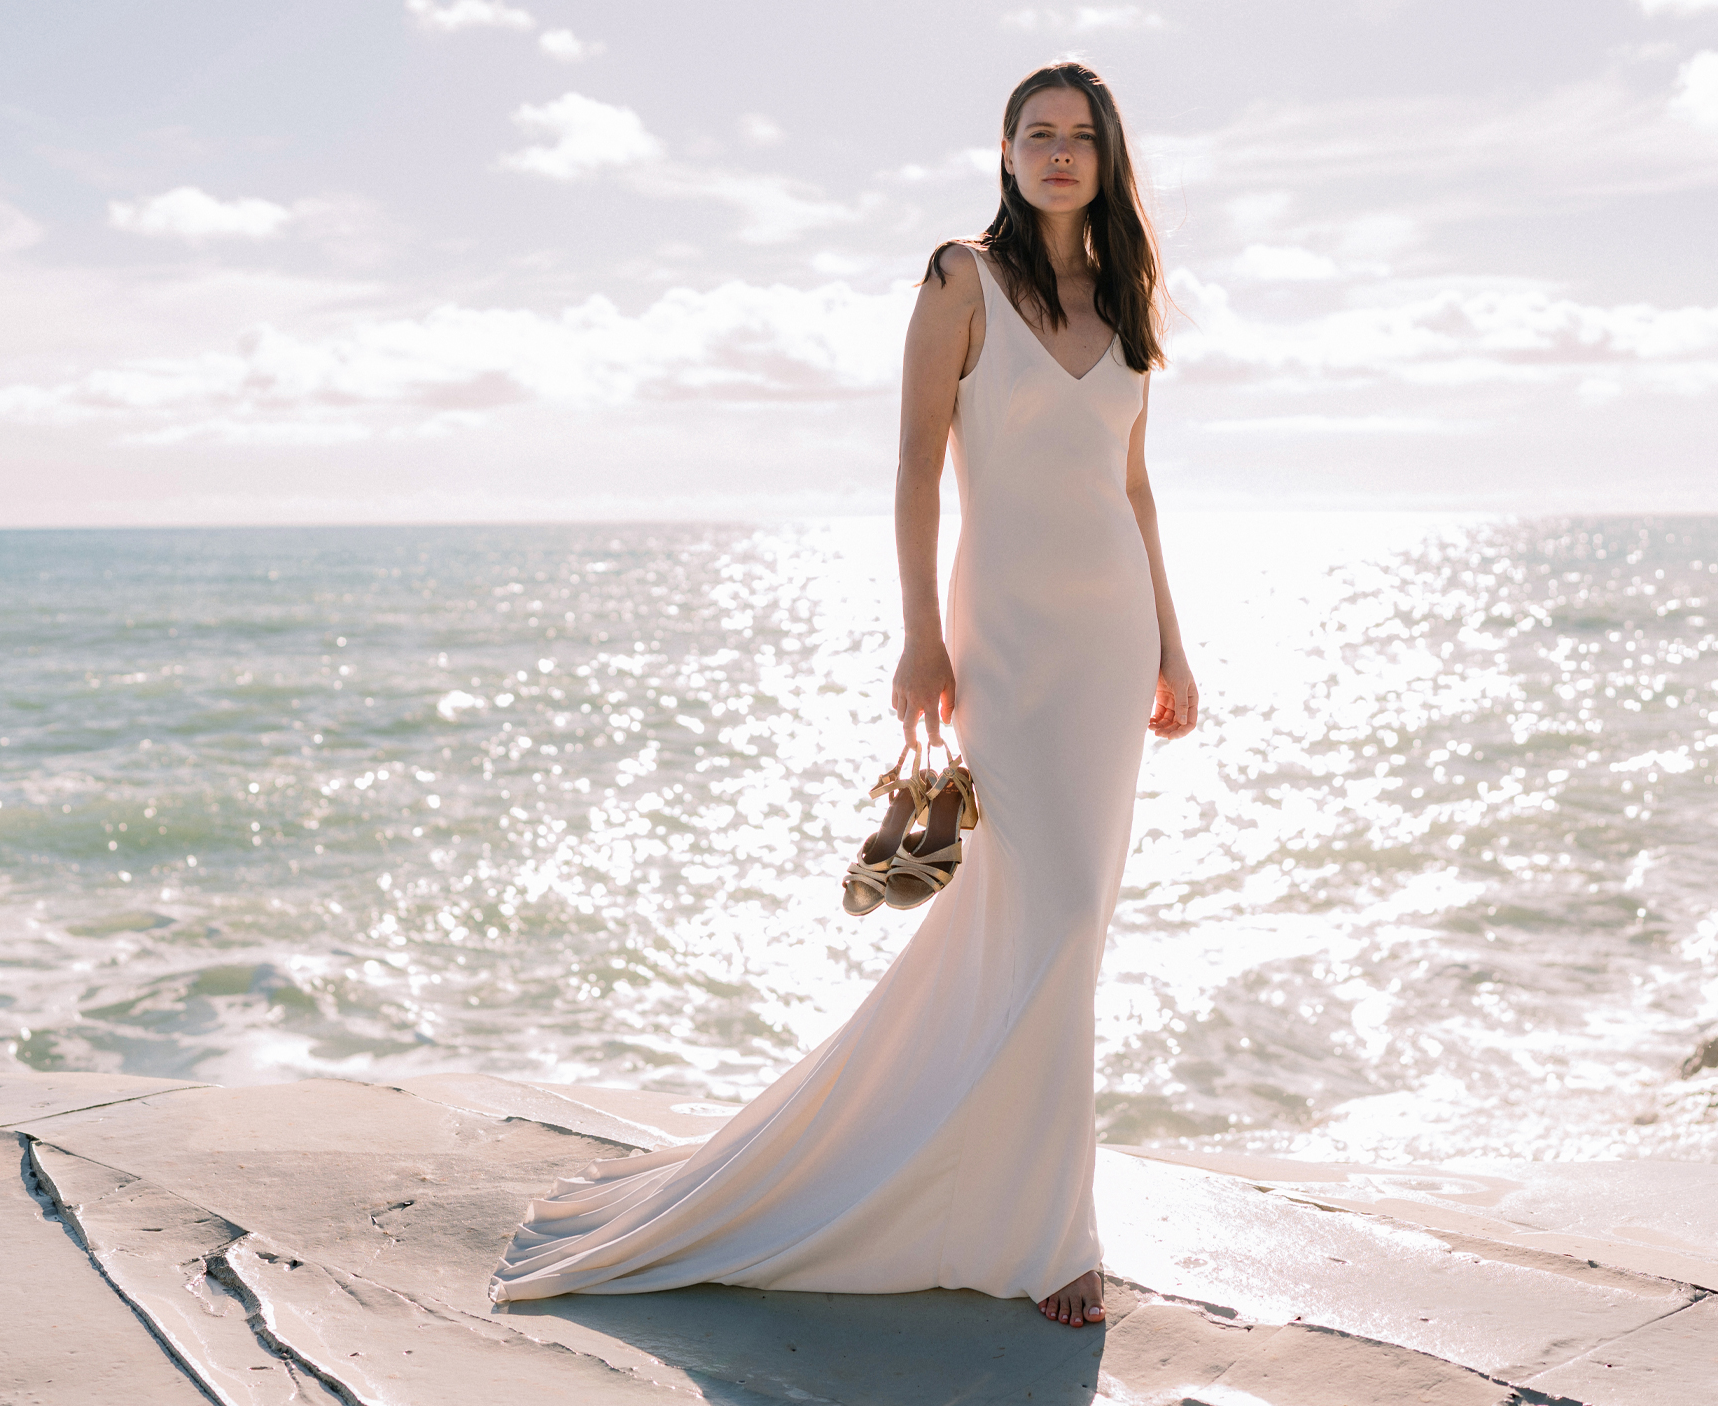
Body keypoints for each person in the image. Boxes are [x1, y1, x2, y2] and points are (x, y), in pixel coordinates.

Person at [489, 60, 1199, 1330]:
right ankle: (1045, 1231)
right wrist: (920, 637)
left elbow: (1132, 486)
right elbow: (916, 469)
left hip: (1109, 642)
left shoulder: (1130, 299)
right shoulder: (959, 280)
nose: (1055, 154)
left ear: (1106, 158)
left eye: (1077, 138)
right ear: (1003, 151)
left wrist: (1173, 645)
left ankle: (1015, 1202)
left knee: (1065, 920)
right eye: (1034, 134)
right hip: (1010, 640)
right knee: (1046, 906)